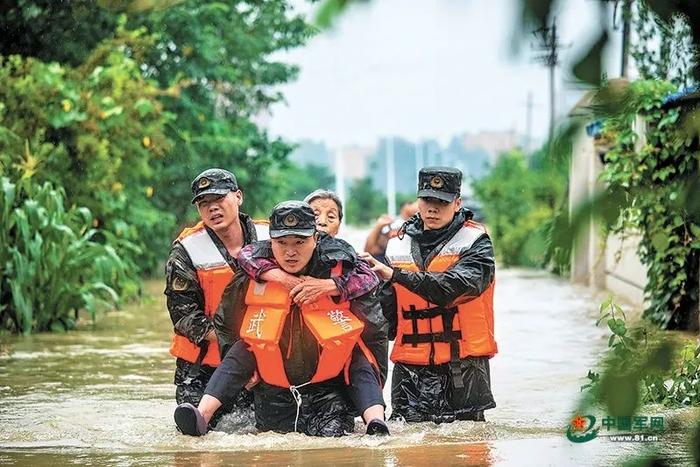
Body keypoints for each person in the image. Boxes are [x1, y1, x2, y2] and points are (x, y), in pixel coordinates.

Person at [174, 201, 389, 437]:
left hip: (328, 394)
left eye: (299, 242)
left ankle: (375, 422)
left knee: (356, 351)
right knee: (243, 348)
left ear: (315, 238)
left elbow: (374, 323)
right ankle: (201, 415)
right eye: (282, 243)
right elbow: (227, 322)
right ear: (271, 241)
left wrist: (330, 286)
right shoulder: (254, 262)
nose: (290, 252)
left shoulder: (340, 261)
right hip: (274, 392)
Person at [361, 167, 497, 423]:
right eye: (427, 200)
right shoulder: (397, 244)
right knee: (408, 452)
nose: (432, 208)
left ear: (457, 203)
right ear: (418, 201)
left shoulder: (477, 243)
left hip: (462, 371)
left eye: (441, 202)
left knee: (466, 451)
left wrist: (396, 276)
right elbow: (384, 319)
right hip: (409, 372)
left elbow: (454, 288)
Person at [237, 189, 390, 380]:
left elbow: (369, 280)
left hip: (336, 360)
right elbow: (245, 256)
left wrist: (330, 285)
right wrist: (283, 278)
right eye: (315, 214)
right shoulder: (275, 251)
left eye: (331, 216)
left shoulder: (346, 257)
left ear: (339, 225)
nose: (322, 221)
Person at [165, 168, 266, 425]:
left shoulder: (272, 239)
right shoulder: (186, 250)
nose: (213, 209)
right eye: (204, 203)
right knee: (198, 443)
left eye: (219, 199)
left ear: (238, 197)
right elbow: (185, 317)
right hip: (202, 369)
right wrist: (238, 355)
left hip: (265, 362)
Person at [364, 200, 418, 265]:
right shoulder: (392, 227)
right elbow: (370, 251)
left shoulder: (418, 230)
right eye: (407, 214)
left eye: (412, 214)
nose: (393, 234)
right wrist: (379, 226)